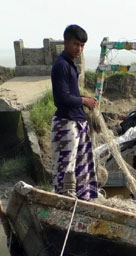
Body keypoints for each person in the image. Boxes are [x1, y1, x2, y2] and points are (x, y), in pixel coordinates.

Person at [50, 24, 99, 201]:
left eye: (82, 45)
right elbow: (62, 98)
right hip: (67, 123)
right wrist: (84, 100)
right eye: (76, 44)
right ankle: (66, 202)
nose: (79, 49)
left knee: (82, 166)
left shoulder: (70, 65)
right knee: (67, 168)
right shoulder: (61, 65)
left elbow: (72, 94)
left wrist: (85, 99)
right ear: (66, 43)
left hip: (78, 122)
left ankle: (83, 202)